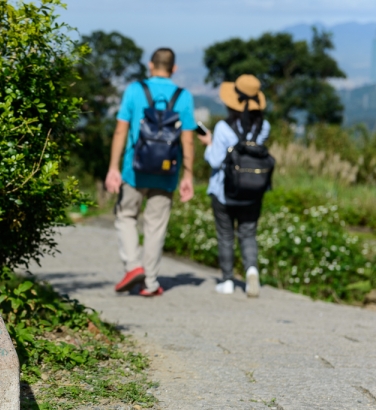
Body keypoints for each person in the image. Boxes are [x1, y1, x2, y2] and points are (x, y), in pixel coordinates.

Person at [106, 48, 196, 296]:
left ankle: (134, 267)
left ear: (150, 65)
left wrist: (113, 168)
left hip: (133, 170)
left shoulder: (135, 90)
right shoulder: (184, 96)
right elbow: (188, 140)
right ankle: (151, 283)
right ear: (174, 68)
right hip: (167, 172)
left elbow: (120, 131)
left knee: (126, 216)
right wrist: (188, 175)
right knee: (156, 225)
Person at [197, 74, 270, 297]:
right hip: (253, 191)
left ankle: (227, 281)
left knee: (226, 235)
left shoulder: (223, 128)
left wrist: (209, 144)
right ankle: (251, 271)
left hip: (224, 190)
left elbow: (216, 161)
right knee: (248, 233)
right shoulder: (264, 126)